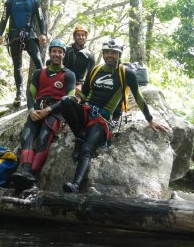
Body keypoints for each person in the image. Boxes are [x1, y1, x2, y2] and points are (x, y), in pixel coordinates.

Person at [59, 37, 169, 193]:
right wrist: (74, 99)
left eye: (114, 52)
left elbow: (138, 96)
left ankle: (75, 185)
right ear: (103, 53)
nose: (110, 55)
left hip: (101, 119)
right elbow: (83, 96)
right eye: (107, 52)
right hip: (86, 110)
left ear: (119, 54)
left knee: (87, 149)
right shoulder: (95, 70)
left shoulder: (126, 73)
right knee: (65, 101)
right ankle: (79, 136)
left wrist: (150, 120)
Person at [10, 38, 76, 190]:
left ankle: (32, 173)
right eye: (54, 51)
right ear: (50, 53)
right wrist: (31, 110)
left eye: (60, 52)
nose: (57, 54)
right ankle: (26, 169)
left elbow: (70, 98)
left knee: (44, 137)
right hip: (37, 109)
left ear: (63, 55)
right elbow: (30, 94)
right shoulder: (39, 73)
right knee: (26, 136)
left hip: (55, 112)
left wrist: (49, 110)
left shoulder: (69, 75)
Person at [0, 0, 47, 107]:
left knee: (38, 62)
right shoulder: (10, 1)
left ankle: (44, 90)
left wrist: (43, 33)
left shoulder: (34, 1)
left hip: (30, 36)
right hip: (14, 37)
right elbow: (3, 19)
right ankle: (20, 93)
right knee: (17, 66)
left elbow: (41, 18)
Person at [63, 25, 95, 93]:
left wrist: (82, 86)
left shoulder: (89, 55)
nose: (81, 37)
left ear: (86, 37)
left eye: (83, 35)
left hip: (79, 84)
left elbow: (90, 76)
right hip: (63, 81)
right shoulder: (67, 51)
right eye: (78, 35)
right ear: (74, 37)